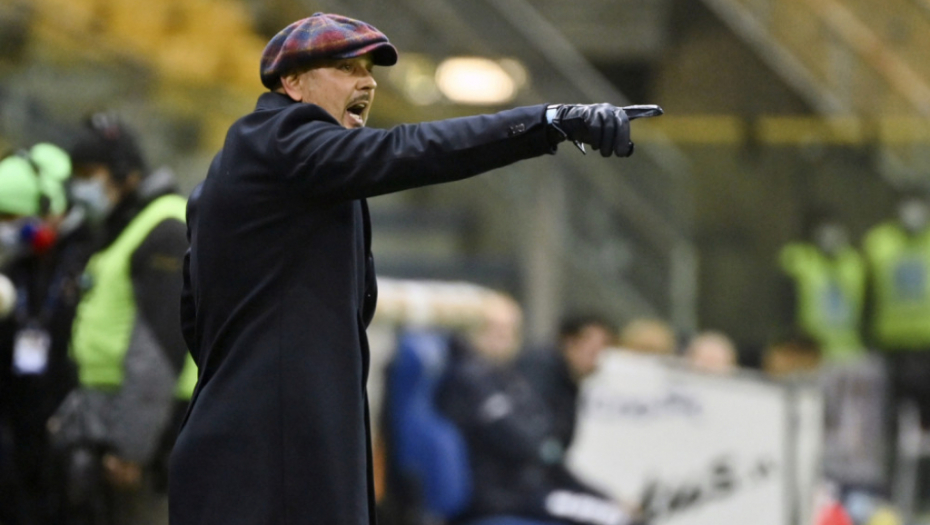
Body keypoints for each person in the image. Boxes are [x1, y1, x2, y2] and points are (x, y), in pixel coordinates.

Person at [169, 12, 661, 525]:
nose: (366, 82)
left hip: (250, 452)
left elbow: (194, 315)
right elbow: (412, 149)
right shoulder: (281, 139)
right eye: (345, 67)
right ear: (291, 82)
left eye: (369, 71)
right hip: (274, 465)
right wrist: (549, 121)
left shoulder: (267, 171)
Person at [48, 114, 196, 525]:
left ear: (123, 172)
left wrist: (132, 445)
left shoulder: (165, 227)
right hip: (112, 418)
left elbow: (159, 348)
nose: (80, 186)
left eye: (89, 174)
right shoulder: (121, 223)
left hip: (152, 429)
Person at [437, 295, 641, 525]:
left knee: (618, 515)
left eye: (511, 328)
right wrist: (544, 445)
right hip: (499, 498)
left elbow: (547, 455)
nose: (505, 336)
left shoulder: (505, 378)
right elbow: (529, 445)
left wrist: (603, 496)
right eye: (494, 328)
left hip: (523, 492)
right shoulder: (472, 379)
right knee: (616, 519)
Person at [0, 143, 91, 525]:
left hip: (69, 426)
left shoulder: (87, 257)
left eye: (12, 216)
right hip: (17, 427)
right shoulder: (15, 266)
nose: (6, 227)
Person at [862, 192, 930, 427]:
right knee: (887, 413)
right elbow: (866, 293)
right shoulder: (879, 242)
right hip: (890, 343)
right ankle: (889, 451)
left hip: (926, 343)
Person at [516, 313, 616, 451]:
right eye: (592, 352)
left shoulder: (569, 378)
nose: (599, 360)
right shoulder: (539, 369)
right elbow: (532, 431)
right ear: (569, 342)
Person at [778, 211, 867, 362]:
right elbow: (785, 256)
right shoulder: (804, 259)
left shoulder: (855, 262)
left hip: (849, 348)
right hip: (812, 349)